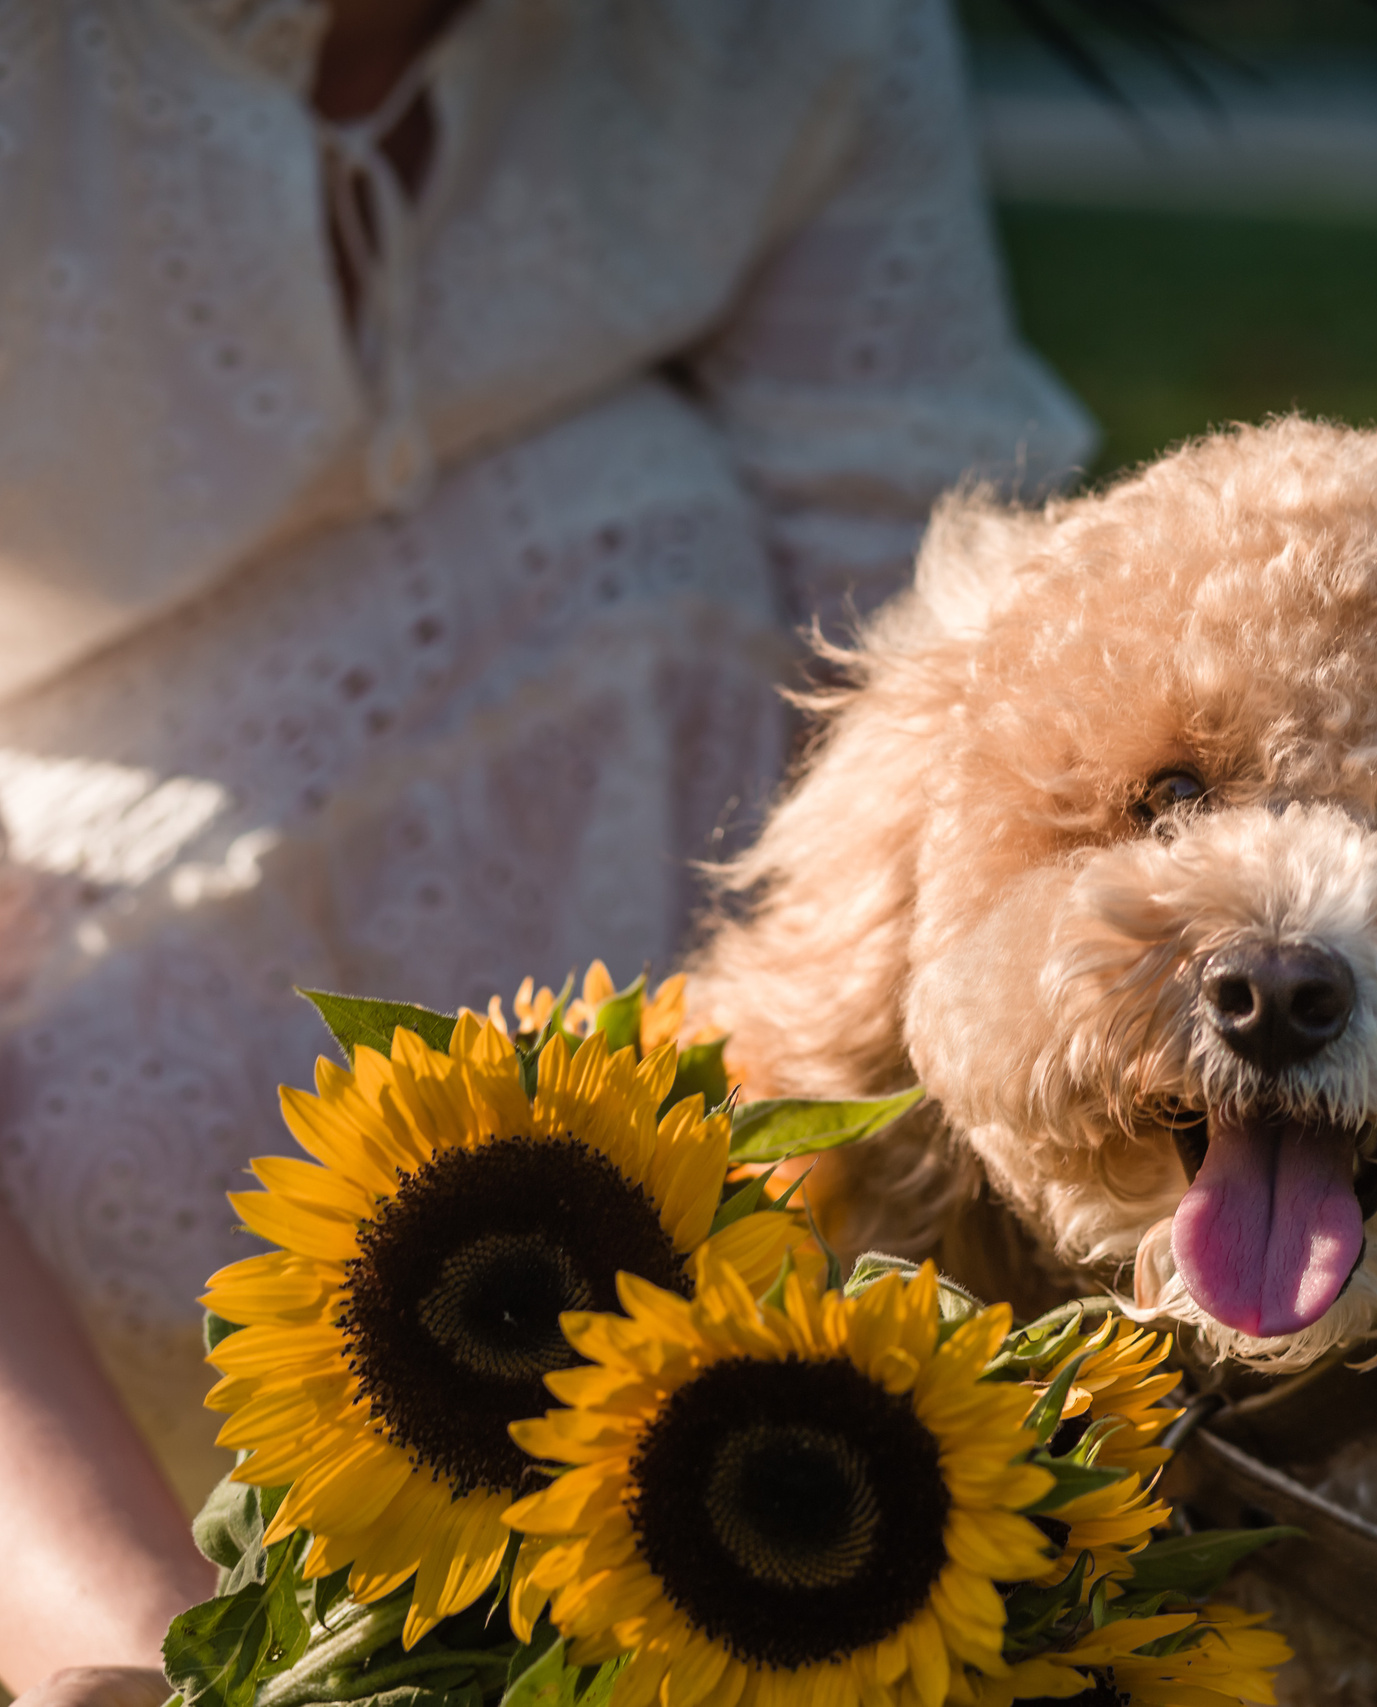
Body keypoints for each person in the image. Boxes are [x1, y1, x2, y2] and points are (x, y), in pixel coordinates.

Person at [0, 0, 1092, 1699]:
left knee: (656, 528)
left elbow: (955, 690)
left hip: (699, 1170)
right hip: (63, 1190)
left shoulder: (795, 37)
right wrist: (130, 1658)